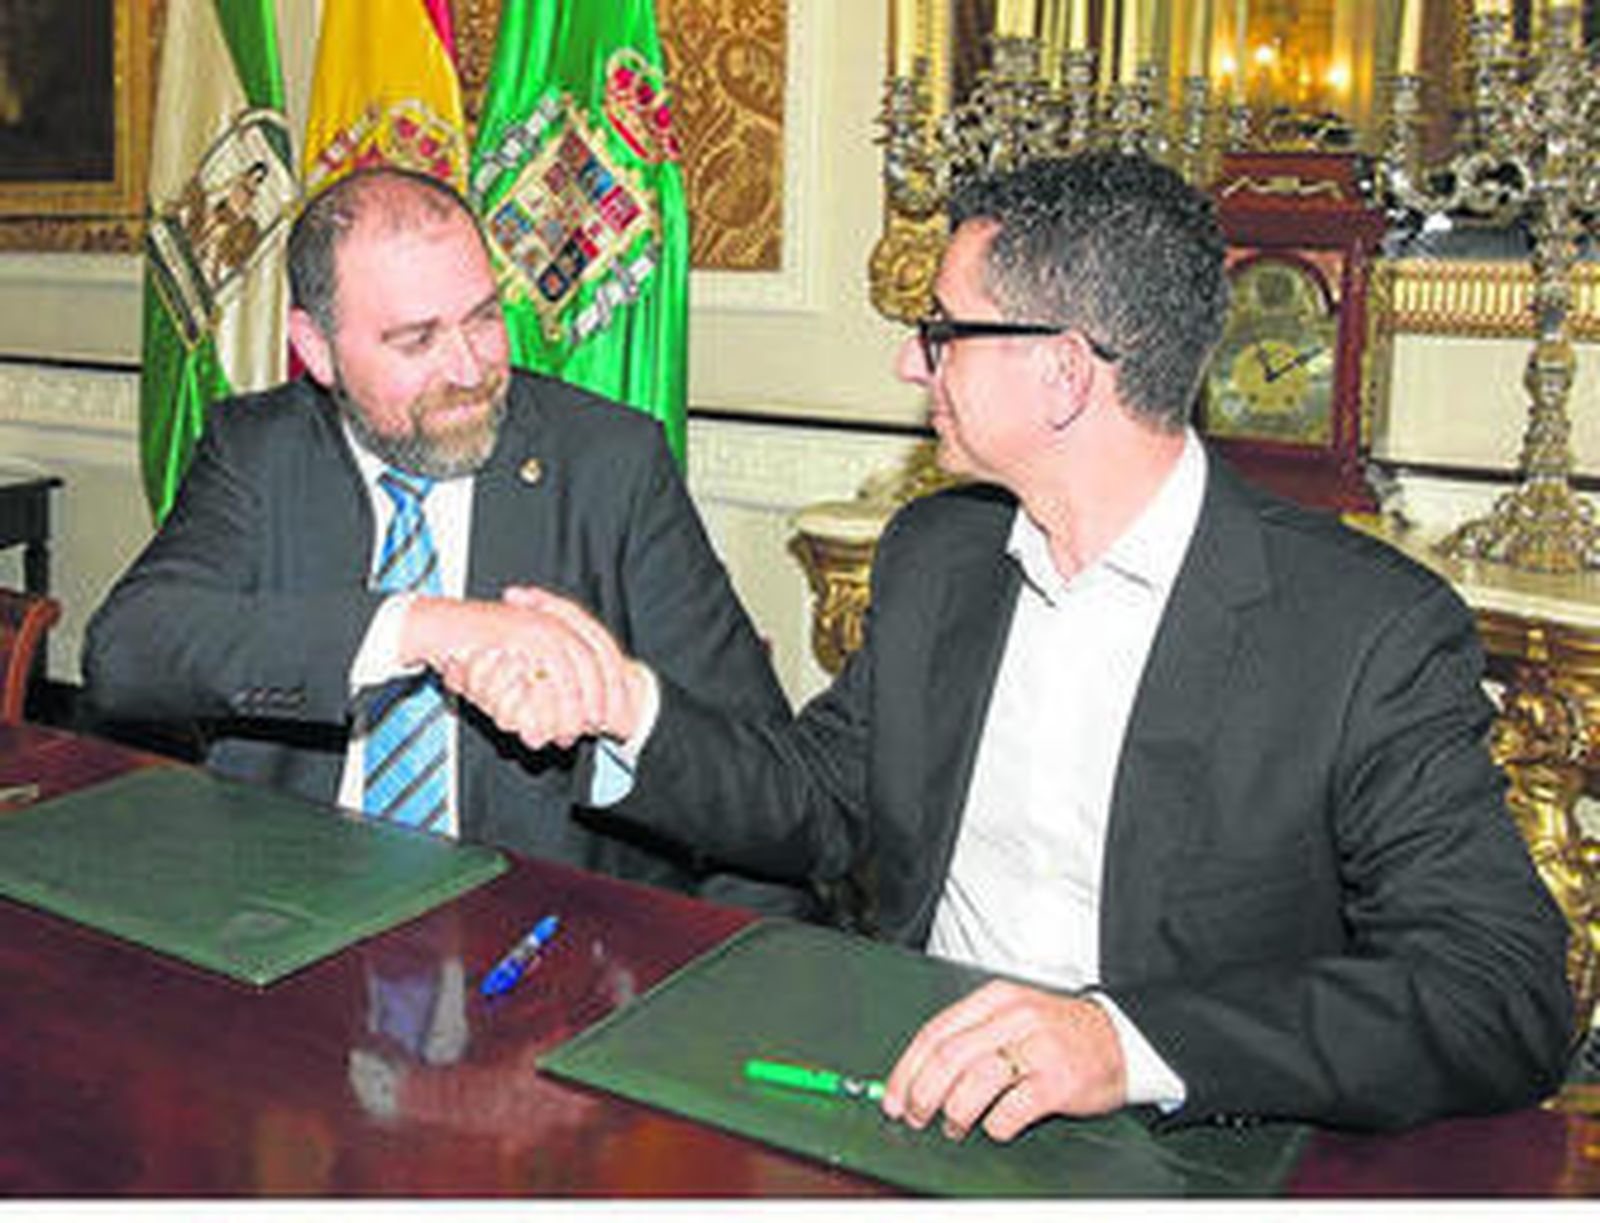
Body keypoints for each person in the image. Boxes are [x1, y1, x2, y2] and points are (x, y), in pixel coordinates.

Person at [443, 152, 1574, 1136]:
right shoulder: (939, 556)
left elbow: (1499, 993)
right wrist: (626, 705)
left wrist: (1122, 1044)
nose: (910, 364)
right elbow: (818, 801)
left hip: (1182, 1141)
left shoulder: (1363, 631)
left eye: (940, 332)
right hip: (904, 1094)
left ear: (1065, 373)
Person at [83, 166, 813, 919]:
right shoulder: (259, 451)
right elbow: (127, 650)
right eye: (416, 340)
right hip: (292, 915)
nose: (468, 370)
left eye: (484, 318)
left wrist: (615, 708)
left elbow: (774, 797)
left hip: (539, 933)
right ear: (317, 348)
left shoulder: (609, 465)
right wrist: (422, 626)